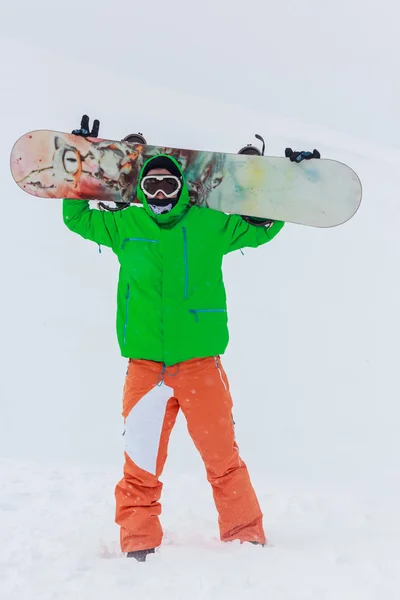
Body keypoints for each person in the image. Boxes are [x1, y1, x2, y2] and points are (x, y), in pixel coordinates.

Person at [64, 116, 316, 562]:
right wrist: (85, 159)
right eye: (152, 186)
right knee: (140, 465)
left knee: (223, 460)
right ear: (141, 190)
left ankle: (245, 535)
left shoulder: (208, 225)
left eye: (169, 186)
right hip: (145, 370)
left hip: (201, 365)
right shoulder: (125, 228)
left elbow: (263, 230)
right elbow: (75, 215)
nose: (160, 195)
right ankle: (139, 542)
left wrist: (282, 182)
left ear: (182, 188)